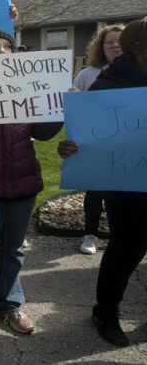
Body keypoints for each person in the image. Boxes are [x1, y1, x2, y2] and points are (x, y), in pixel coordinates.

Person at [0, 30, 63, 335]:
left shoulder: (28, 88)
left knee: (14, 250)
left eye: (7, 47)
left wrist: (61, 106)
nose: (2, 51)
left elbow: (43, 131)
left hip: (23, 182)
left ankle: (10, 305)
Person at [58, 17, 147, 347]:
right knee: (128, 246)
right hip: (127, 179)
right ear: (139, 48)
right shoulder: (110, 82)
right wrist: (71, 147)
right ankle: (106, 311)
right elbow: (87, 135)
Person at [72, 23, 125, 255]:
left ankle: (121, 236)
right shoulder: (87, 74)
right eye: (109, 42)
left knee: (126, 191)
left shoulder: (138, 71)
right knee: (95, 190)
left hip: (128, 141)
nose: (114, 45)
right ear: (100, 47)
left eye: (119, 41)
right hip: (95, 141)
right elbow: (75, 110)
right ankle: (90, 234)